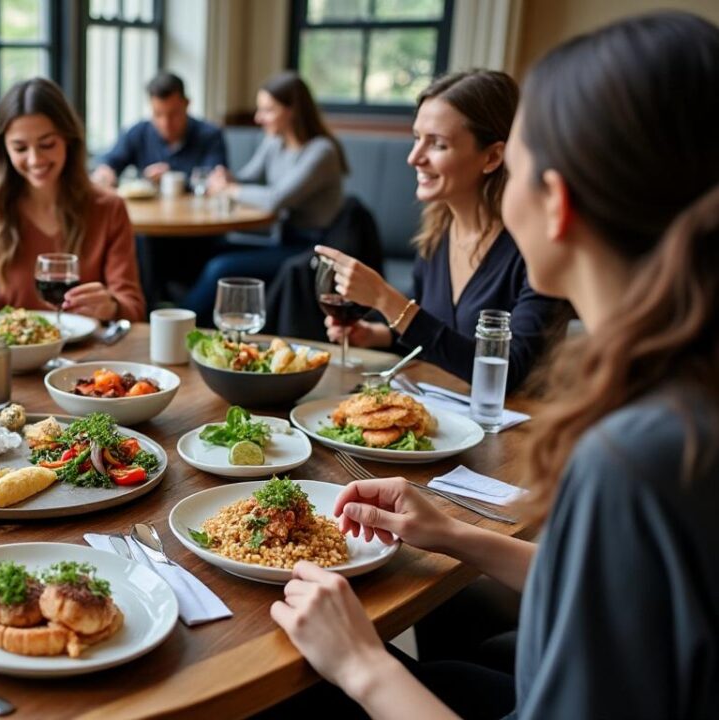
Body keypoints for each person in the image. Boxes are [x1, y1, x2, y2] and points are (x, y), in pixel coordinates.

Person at [269, 11, 719, 719]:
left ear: (555, 202)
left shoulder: (635, 459)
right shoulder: (682, 403)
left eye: (518, 166)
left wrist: (360, 664)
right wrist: (452, 534)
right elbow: (609, 594)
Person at [315, 70, 563, 391]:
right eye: (417, 138)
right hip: (443, 408)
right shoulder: (437, 235)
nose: (414, 158)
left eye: (438, 144)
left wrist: (384, 298)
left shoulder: (536, 250)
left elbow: (510, 372)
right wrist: (377, 335)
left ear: (492, 157)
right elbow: (439, 337)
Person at [0, 78, 145, 322]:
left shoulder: (109, 209)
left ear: (68, 139)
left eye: (47, 144)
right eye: (20, 148)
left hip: (89, 347)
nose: (35, 160)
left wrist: (112, 307)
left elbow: (133, 309)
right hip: (9, 347)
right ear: (4, 150)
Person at [183, 72, 345, 323]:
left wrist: (229, 189)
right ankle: (193, 323)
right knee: (205, 251)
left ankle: (180, 322)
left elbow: (275, 200)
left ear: (292, 111)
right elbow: (247, 178)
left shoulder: (321, 151)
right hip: (282, 241)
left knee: (220, 267)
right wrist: (227, 177)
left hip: (309, 251)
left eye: (268, 110)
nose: (258, 118)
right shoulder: (275, 142)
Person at [90, 71, 227, 187]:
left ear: (187, 104)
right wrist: (105, 171)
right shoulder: (138, 133)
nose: (165, 123)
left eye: (173, 114)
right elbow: (110, 160)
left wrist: (172, 179)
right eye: (158, 114)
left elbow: (213, 179)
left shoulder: (210, 135)